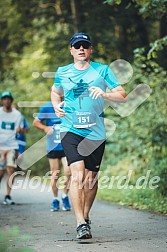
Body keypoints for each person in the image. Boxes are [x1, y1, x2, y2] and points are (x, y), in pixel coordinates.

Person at [51, 32, 127, 239]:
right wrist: (56, 104)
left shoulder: (102, 70)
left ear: (91, 49)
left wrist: (104, 94)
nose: (81, 49)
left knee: (91, 179)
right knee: (77, 175)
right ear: (71, 50)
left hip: (95, 132)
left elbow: (122, 95)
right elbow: (55, 92)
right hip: (70, 129)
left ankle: (86, 216)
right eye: (77, 46)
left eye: (85, 45)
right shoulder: (63, 72)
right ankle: (80, 223)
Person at [33, 101, 71, 211]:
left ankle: (65, 196)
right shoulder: (47, 107)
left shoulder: (68, 105)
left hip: (67, 145)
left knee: (68, 171)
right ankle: (55, 199)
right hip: (53, 146)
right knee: (55, 174)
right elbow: (36, 122)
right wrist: (45, 128)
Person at [0, 91, 24, 205]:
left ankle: (8, 195)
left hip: (12, 146)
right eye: (4, 99)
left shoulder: (17, 115)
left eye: (8, 99)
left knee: (11, 169)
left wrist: (20, 130)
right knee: (0, 172)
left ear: (11, 100)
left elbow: (22, 130)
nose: (6, 101)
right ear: (2, 101)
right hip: (0, 146)